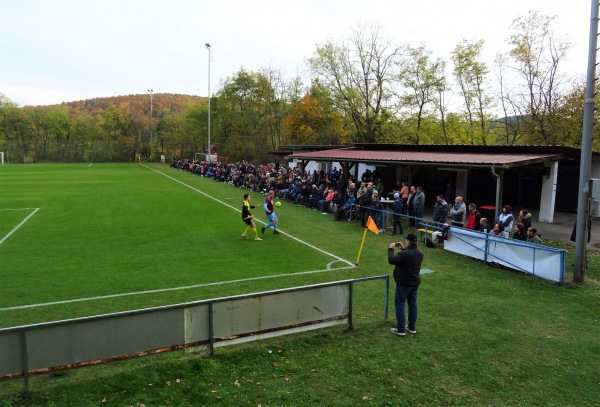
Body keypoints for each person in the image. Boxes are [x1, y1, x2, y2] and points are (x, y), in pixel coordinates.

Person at [388, 233, 424, 337]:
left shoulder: (405, 255)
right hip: (414, 283)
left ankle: (401, 329)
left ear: (408, 241)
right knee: (413, 304)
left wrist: (391, 249)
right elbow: (409, 257)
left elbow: (391, 260)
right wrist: (404, 249)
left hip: (404, 284)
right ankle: (412, 327)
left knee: (400, 305)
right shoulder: (420, 253)